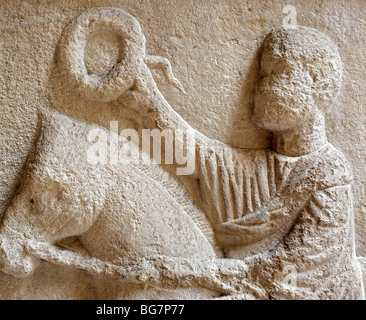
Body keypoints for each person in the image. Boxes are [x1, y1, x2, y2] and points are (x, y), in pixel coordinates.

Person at [116, 26, 364, 299]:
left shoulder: (329, 176)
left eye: (276, 73)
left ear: (319, 83)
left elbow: (283, 273)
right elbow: (199, 154)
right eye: (262, 75)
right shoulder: (258, 167)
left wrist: (183, 271)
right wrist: (149, 100)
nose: (260, 87)